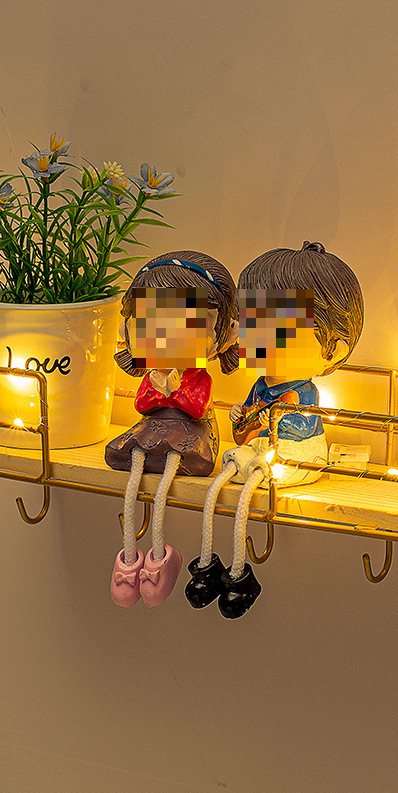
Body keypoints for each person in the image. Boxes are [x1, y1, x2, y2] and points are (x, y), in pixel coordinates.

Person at [185, 241, 363, 618]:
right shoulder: (262, 386)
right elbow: (245, 431)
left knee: (251, 476)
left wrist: (271, 422)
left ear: (334, 350)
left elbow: (299, 427)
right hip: (263, 454)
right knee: (227, 471)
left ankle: (239, 573)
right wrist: (242, 417)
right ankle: (208, 561)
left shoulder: (303, 392)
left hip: (297, 457)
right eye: (252, 322)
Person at [105, 252, 239, 607]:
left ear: (222, 332)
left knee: (173, 467)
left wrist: (174, 391)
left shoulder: (197, 376)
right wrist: (160, 387)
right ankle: (130, 556)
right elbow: (142, 404)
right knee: (133, 456)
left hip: (189, 432)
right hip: (153, 427)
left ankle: (161, 557)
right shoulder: (154, 375)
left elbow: (197, 406)